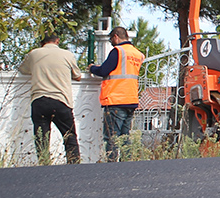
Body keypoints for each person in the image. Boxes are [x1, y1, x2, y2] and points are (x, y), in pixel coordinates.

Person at [17, 32, 84, 165]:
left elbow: (23, 70)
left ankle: (44, 165)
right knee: (69, 137)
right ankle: (74, 166)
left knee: (41, 139)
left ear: (41, 42)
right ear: (57, 40)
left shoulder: (34, 54)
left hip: (39, 101)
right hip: (61, 101)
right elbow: (78, 76)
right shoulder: (68, 55)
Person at [89, 26, 145, 161]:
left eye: (111, 40)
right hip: (130, 99)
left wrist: (92, 68)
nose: (111, 43)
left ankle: (112, 165)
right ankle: (126, 164)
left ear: (116, 37)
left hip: (116, 99)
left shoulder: (118, 51)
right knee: (125, 137)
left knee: (112, 137)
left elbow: (104, 70)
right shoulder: (137, 54)